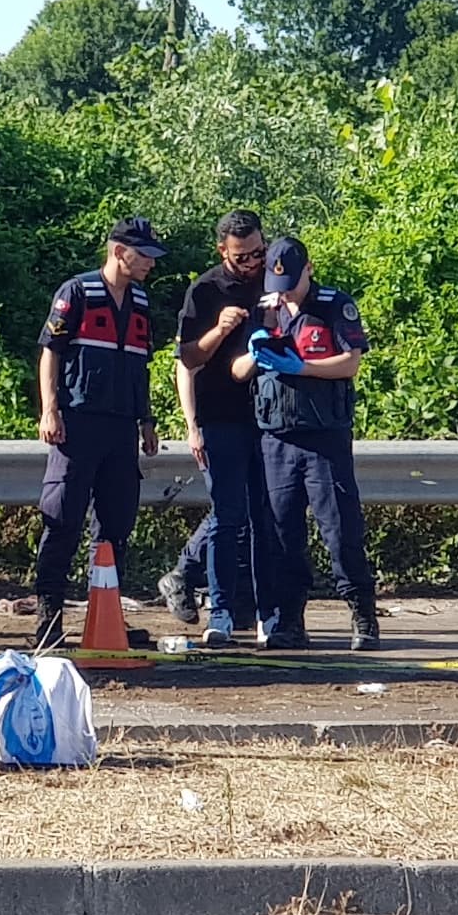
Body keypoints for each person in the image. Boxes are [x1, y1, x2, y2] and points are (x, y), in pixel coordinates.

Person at [31, 218, 167, 648]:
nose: (149, 263)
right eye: (142, 254)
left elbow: (139, 366)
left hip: (122, 428)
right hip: (78, 424)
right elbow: (50, 353)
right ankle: (47, 619)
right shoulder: (78, 292)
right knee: (63, 519)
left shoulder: (142, 301)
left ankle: (104, 620)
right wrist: (50, 410)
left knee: (115, 526)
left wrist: (146, 420)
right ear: (118, 251)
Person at [238, 235, 377, 650]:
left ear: (308, 270)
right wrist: (255, 352)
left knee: (340, 532)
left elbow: (350, 362)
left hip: (324, 438)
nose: (284, 295)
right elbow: (237, 370)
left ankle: (363, 617)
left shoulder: (334, 305)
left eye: (291, 285)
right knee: (283, 535)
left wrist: (302, 367)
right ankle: (290, 621)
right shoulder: (265, 309)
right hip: (276, 439)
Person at [167, 212, 273, 648]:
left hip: (266, 418)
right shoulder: (206, 289)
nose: (253, 263)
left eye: (259, 253)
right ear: (223, 252)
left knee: (263, 518)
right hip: (219, 417)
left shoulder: (272, 280)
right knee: (228, 515)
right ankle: (222, 611)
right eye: (243, 256)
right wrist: (219, 330)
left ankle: (267, 612)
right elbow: (187, 358)